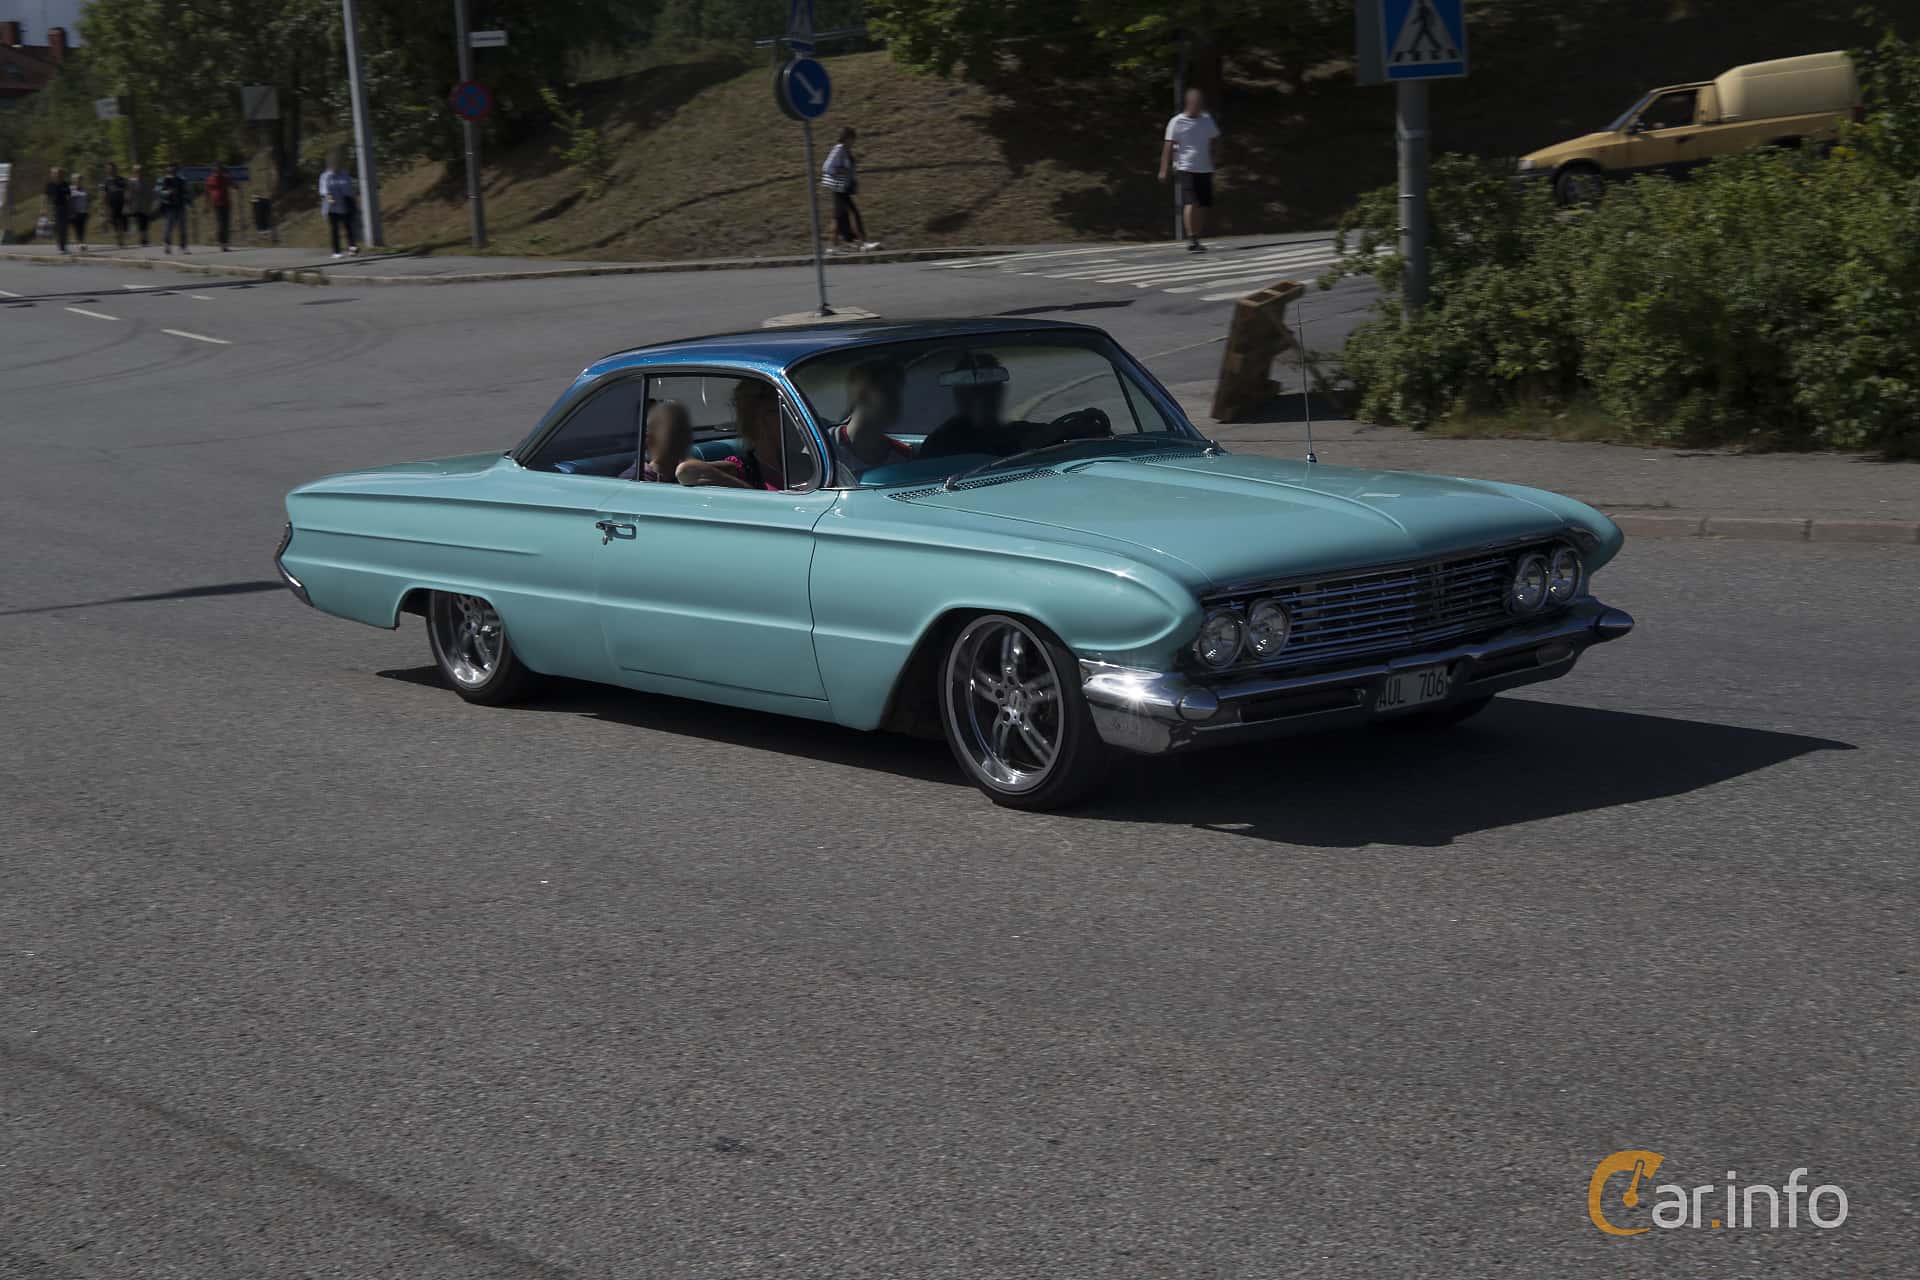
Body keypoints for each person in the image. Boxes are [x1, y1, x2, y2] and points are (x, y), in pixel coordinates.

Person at [1159, 87, 1222, 252]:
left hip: (1205, 166)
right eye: (1195, 103)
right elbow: (1168, 145)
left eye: (1200, 103)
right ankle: (1191, 238)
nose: (1198, 106)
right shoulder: (1177, 121)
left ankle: (1197, 237)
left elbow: (1215, 139)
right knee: (1191, 201)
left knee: (1202, 204)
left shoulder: (1207, 119)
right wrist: (1164, 169)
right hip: (1186, 166)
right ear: (1189, 104)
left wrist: (1215, 156)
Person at [830, 358, 911, 480]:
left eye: (897, 394)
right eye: (888, 392)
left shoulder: (903, 456)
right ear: (861, 395)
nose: (896, 402)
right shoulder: (824, 450)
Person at [820, 127, 879, 255]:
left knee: (838, 217)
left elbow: (849, 168)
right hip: (839, 188)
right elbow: (827, 167)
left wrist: (853, 180)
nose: (854, 141)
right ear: (847, 138)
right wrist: (844, 171)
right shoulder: (839, 149)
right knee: (852, 214)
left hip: (843, 188)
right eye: (853, 138)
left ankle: (833, 247)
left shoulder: (845, 150)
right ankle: (863, 243)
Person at [319, 158, 359, 258]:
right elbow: (324, 190)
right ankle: (336, 252)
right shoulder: (325, 176)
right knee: (335, 230)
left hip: (345, 205)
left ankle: (352, 247)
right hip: (332, 208)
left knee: (349, 228)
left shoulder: (344, 174)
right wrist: (330, 198)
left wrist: (352, 201)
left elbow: (349, 189)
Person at [157, 163, 190, 254]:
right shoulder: (163, 179)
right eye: (170, 167)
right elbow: (158, 191)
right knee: (168, 227)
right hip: (169, 207)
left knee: (182, 227)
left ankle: (183, 247)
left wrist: (188, 202)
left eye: (174, 167)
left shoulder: (181, 180)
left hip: (180, 206)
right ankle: (167, 246)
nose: (172, 169)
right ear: (167, 169)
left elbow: (186, 192)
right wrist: (168, 192)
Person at [205, 163, 234, 251]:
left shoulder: (225, 178)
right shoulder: (210, 179)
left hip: (226, 203)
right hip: (217, 204)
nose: (217, 171)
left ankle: (225, 244)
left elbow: (235, 185)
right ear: (213, 170)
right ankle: (222, 244)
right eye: (216, 170)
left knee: (226, 224)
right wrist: (206, 204)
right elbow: (206, 192)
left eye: (219, 170)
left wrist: (229, 176)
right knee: (221, 224)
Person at [42, 167, 69, 253]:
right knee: (56, 228)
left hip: (64, 208)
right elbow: (45, 197)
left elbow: (69, 196)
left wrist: (71, 209)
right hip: (53, 208)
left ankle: (63, 246)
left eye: (59, 174)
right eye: (55, 174)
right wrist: (43, 208)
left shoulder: (65, 184)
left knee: (63, 228)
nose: (57, 175)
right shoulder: (49, 185)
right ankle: (60, 245)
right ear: (52, 175)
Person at [103, 163, 129, 248]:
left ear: (116, 169)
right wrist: (105, 205)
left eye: (113, 169)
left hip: (121, 203)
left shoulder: (121, 180)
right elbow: (104, 194)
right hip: (111, 204)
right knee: (114, 222)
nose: (111, 170)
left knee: (122, 222)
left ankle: (121, 238)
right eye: (109, 169)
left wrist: (127, 201)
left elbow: (126, 191)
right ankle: (119, 240)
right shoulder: (106, 181)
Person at [127, 165, 152, 246]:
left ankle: (145, 239)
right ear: (134, 172)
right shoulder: (131, 181)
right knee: (140, 223)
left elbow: (148, 193)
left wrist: (149, 203)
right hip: (136, 206)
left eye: (140, 171)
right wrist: (129, 204)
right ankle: (143, 240)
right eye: (137, 171)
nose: (139, 172)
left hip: (144, 205)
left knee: (145, 223)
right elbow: (130, 193)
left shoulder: (145, 181)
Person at [66, 173, 90, 252]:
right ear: (73, 180)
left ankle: (82, 243)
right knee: (77, 229)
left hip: (83, 212)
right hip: (74, 212)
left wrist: (87, 210)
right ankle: (80, 244)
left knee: (82, 229)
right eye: (77, 179)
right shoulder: (70, 189)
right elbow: (68, 201)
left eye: (80, 179)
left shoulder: (84, 190)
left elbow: (86, 201)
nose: (78, 181)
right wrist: (70, 212)